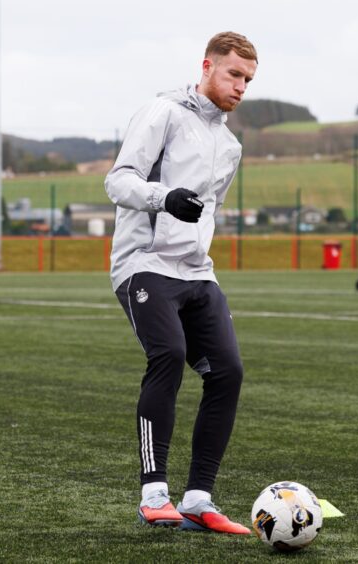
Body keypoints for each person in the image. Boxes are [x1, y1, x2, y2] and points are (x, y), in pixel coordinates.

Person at [104, 32, 257, 534]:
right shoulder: (162, 112)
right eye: (234, 74)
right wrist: (163, 198)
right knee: (167, 354)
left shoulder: (230, 145)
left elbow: (209, 208)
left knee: (228, 371)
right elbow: (118, 180)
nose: (241, 87)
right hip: (144, 263)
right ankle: (154, 494)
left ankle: (197, 499)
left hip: (196, 271)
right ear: (208, 66)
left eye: (248, 80)